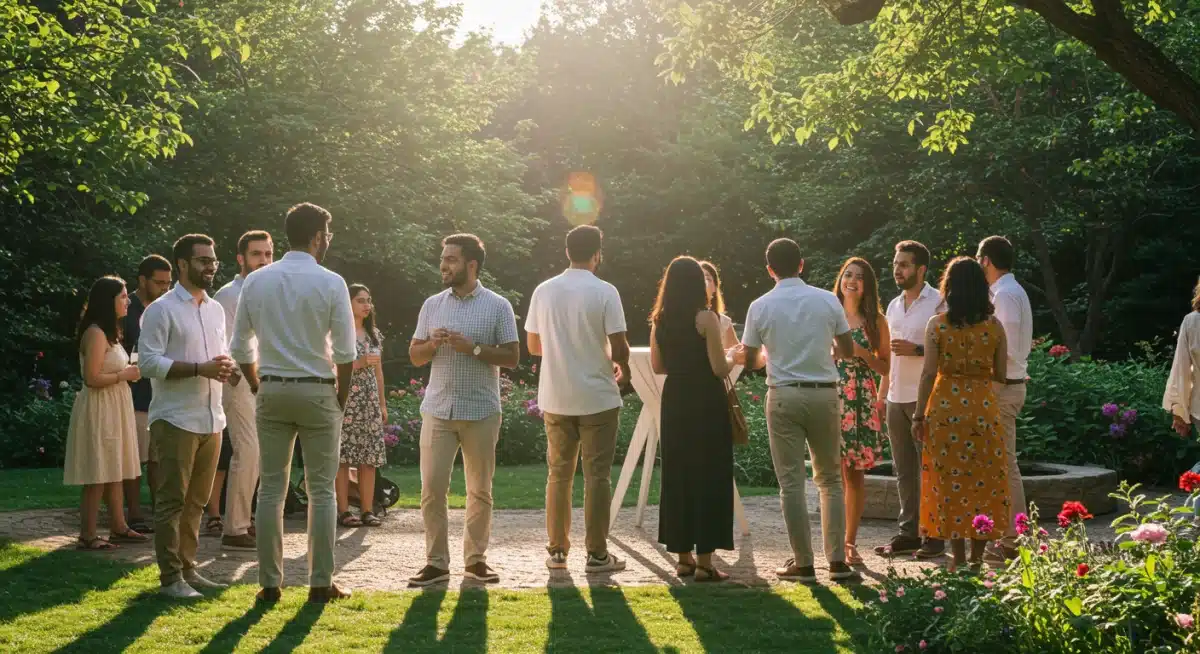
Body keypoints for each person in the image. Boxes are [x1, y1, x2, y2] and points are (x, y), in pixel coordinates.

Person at [231, 203, 357, 604]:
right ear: (318, 236)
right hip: (318, 388)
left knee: (271, 489)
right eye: (329, 234)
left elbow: (239, 346)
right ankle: (321, 582)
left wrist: (256, 384)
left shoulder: (256, 281)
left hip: (272, 387)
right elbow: (346, 351)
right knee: (322, 491)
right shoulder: (332, 281)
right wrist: (340, 396)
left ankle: (270, 583)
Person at [737, 238, 857, 583]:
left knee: (791, 482)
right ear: (801, 264)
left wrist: (767, 357)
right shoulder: (826, 300)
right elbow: (847, 350)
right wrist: (824, 348)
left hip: (784, 393)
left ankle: (803, 563)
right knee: (831, 479)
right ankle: (836, 560)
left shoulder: (760, 305)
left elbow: (750, 358)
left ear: (770, 269)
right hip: (823, 393)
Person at [408, 234, 520, 587]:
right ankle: (436, 563)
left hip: (481, 410)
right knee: (432, 490)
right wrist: (432, 343)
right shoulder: (431, 305)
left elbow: (513, 357)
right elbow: (415, 355)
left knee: (480, 491)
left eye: (452, 259)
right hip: (439, 409)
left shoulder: (498, 305)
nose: (444, 265)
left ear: (472, 265)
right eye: (443, 258)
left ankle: (475, 561)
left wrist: (472, 349)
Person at [525, 225, 630, 574]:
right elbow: (620, 346)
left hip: (556, 394)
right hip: (597, 395)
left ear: (566, 251)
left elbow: (533, 346)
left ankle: (557, 551)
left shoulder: (544, 291)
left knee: (558, 475)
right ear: (597, 253)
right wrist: (622, 369)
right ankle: (597, 554)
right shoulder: (605, 291)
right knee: (597, 477)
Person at [138, 234, 235, 599]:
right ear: (182, 264)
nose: (210, 266)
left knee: (197, 501)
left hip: (213, 417)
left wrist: (227, 367)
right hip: (176, 418)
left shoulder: (214, 309)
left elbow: (218, 355)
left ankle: (190, 569)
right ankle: (170, 579)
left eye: (213, 260)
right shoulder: (161, 310)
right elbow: (148, 363)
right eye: (203, 261)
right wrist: (200, 368)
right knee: (172, 501)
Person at [913, 257, 1011, 572]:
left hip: (944, 409)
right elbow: (1001, 373)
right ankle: (977, 559)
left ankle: (955, 557)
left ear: (949, 287)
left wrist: (918, 415)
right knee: (983, 482)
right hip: (982, 409)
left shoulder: (936, 325)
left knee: (948, 482)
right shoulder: (995, 327)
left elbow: (928, 374)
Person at [652, 256, 737, 582]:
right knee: (708, 474)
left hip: (675, 400)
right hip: (705, 400)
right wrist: (732, 355)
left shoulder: (660, 320)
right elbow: (718, 367)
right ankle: (705, 562)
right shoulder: (706, 318)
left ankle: (683, 558)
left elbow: (659, 367)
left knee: (679, 474)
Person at [63, 276, 148, 551]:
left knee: (115, 468)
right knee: (98, 470)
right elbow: (91, 377)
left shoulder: (112, 333)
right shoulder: (96, 333)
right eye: (123, 296)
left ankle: (119, 527)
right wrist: (125, 374)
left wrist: (126, 375)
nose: (128, 301)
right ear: (108, 300)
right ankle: (87, 535)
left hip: (115, 405)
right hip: (100, 408)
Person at [874, 240, 945, 560]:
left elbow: (950, 350)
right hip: (895, 397)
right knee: (903, 471)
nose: (897, 270)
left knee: (931, 469)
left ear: (921, 269)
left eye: (904, 264)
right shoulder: (892, 305)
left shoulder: (940, 303)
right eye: (895, 264)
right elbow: (888, 356)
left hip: (925, 400)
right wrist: (882, 393)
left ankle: (934, 535)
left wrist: (917, 350)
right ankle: (909, 533)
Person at [209, 230, 274, 551]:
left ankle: (244, 523)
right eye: (256, 254)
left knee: (260, 456)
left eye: (268, 254)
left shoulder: (271, 292)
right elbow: (221, 347)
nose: (263, 260)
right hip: (239, 385)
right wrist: (242, 381)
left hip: (266, 384)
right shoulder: (228, 296)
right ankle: (234, 528)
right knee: (247, 451)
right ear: (241, 258)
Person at [976, 236, 1032, 563]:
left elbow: (1005, 348)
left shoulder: (1007, 296)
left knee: (1005, 464)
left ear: (986, 260)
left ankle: (1012, 540)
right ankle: (1007, 535)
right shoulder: (1010, 292)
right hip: (1008, 383)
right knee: (1000, 463)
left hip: (1003, 386)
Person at [832, 257, 890, 566]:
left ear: (867, 285)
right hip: (830, 397)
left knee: (853, 475)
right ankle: (832, 542)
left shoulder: (875, 320)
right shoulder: (827, 314)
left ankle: (849, 542)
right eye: (847, 274)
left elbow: (885, 367)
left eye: (859, 276)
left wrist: (862, 353)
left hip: (861, 401)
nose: (852, 280)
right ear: (841, 279)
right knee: (831, 475)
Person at [122, 255, 173, 533]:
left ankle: (160, 510)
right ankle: (134, 513)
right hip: (135, 392)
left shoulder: (170, 307)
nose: (165, 288)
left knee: (158, 458)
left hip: (164, 392)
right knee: (135, 457)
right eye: (159, 282)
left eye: (169, 282)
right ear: (142, 280)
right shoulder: (125, 308)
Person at [335, 283, 388, 528]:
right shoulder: (338, 333)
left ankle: (367, 510)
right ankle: (344, 511)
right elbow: (333, 368)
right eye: (360, 300)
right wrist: (359, 363)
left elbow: (379, 373)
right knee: (343, 459)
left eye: (368, 300)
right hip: (346, 401)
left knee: (369, 459)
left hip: (369, 404)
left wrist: (382, 404)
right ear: (348, 303)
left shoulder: (374, 334)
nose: (367, 305)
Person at [1164, 277, 1200, 438]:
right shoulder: (1192, 322)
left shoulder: (1192, 322)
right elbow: (1182, 369)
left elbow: (1181, 370)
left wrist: (1180, 413)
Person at [700, 260, 739, 349]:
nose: (703, 282)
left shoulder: (724, 322)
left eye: (708, 279)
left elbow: (740, 357)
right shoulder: (677, 319)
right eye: (699, 278)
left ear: (715, 288)